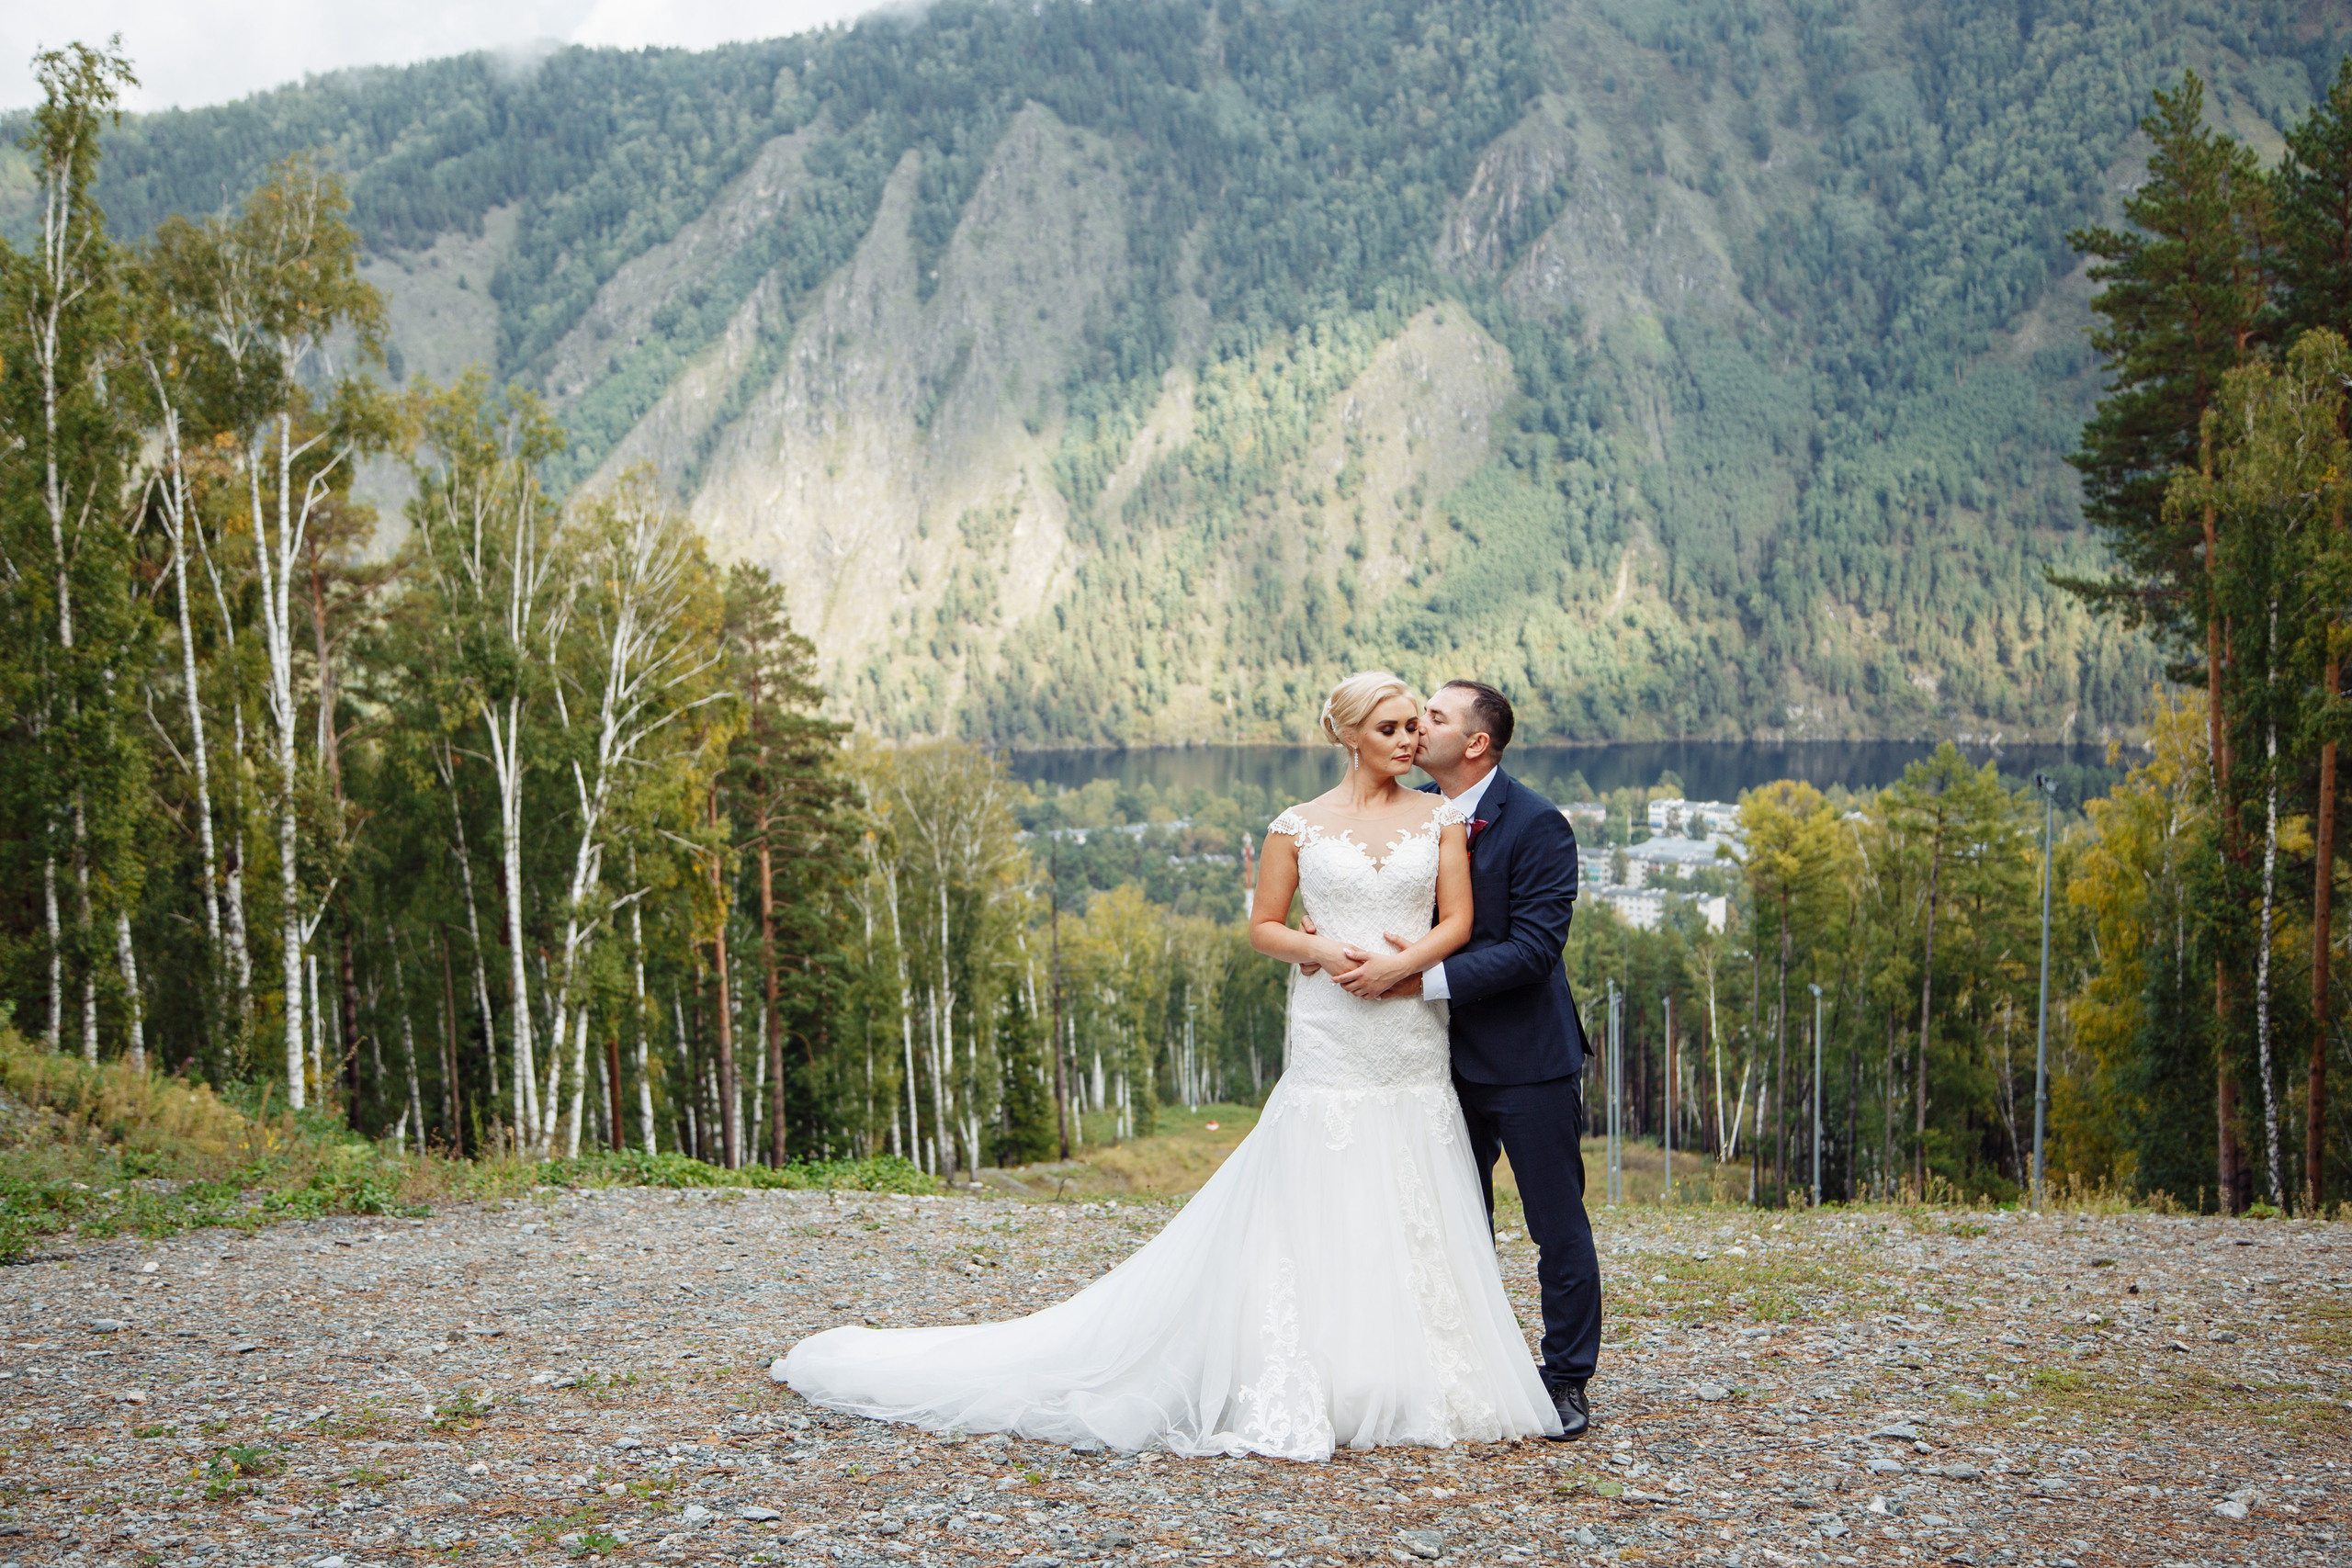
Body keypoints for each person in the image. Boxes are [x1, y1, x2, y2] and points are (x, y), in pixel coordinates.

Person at [772, 671, 1561, 1459]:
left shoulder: (1438, 819)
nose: (1409, 739)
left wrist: (1403, 970)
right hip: (1330, 1024)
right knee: (1323, 1175)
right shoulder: (1297, 825)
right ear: (1350, 734)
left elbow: (1457, 922)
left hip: (1408, 1025)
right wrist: (1317, 945)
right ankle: (1319, 1367)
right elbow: (1263, 926)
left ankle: (1415, 1366)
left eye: (1412, 726)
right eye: (1390, 728)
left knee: (1411, 1177)